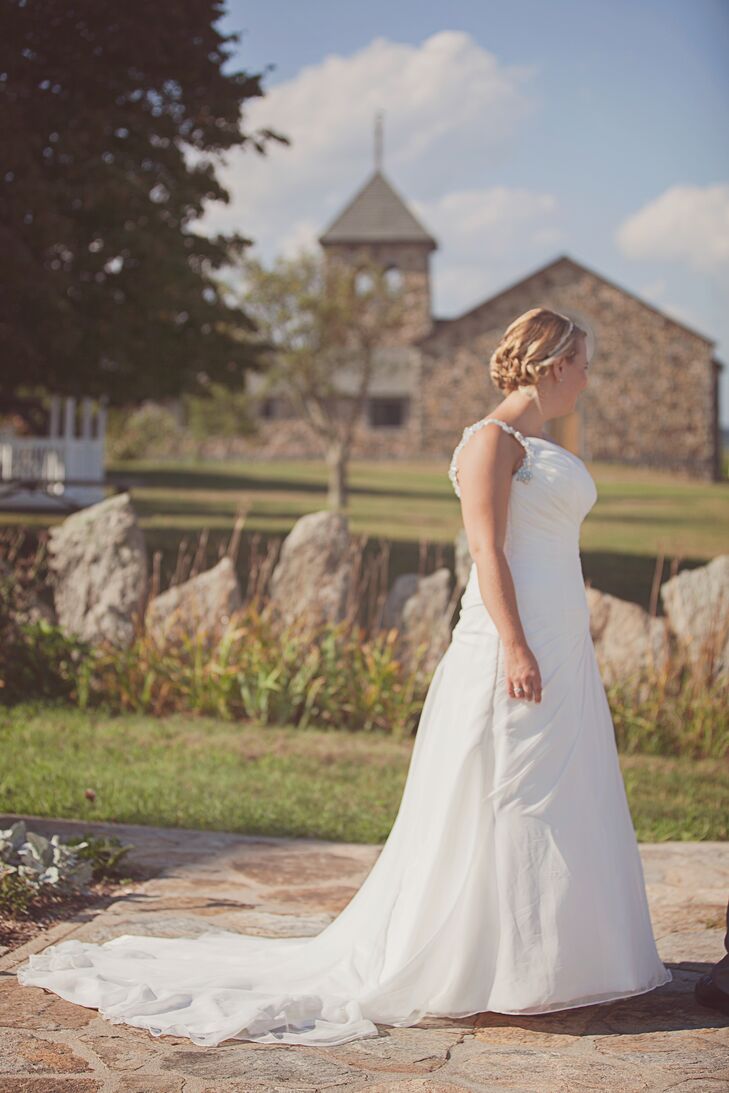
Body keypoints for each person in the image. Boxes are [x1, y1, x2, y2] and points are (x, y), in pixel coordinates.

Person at [17, 306, 672, 1047]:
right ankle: (482, 958)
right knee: (512, 788)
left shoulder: (542, 442)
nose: (587, 378)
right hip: (510, 643)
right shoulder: (492, 440)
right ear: (553, 364)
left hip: (561, 643)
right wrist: (517, 646)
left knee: (561, 786)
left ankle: (550, 960)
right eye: (582, 363)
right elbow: (487, 553)